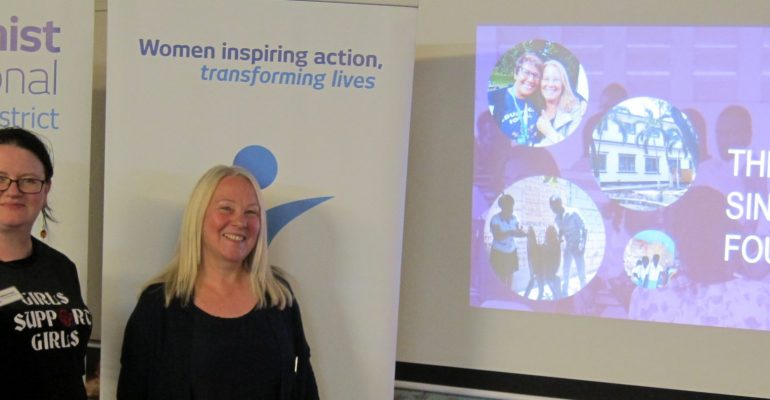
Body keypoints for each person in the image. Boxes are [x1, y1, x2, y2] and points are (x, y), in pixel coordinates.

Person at [118, 165, 318, 399]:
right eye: (226, 208)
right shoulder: (158, 306)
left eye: (251, 212)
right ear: (198, 216)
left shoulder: (279, 299)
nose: (240, 222)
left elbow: (304, 389)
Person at [0, 127, 92, 399]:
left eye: (28, 180)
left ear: (46, 189)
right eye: (1, 178)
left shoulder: (61, 267)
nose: (13, 191)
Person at [488, 52, 544, 145]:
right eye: (526, 72)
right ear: (516, 73)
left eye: (536, 75)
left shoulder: (539, 102)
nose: (531, 79)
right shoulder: (494, 99)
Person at [536, 59, 584, 146]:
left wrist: (549, 132)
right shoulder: (533, 108)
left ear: (563, 84)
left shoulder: (575, 111)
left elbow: (573, 147)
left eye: (556, 80)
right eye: (546, 79)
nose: (550, 84)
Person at [549, 194, 587, 295]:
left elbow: (584, 228)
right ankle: (564, 293)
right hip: (567, 247)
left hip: (577, 246)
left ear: (560, 204)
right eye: (552, 208)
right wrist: (559, 237)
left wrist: (582, 244)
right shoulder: (557, 219)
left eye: (555, 208)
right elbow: (561, 230)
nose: (553, 211)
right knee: (565, 270)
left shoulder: (573, 213)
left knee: (581, 272)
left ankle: (584, 293)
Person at [489, 194, 525, 289]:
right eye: (508, 206)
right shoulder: (495, 219)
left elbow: (517, 232)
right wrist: (510, 232)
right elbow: (497, 236)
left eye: (511, 206)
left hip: (511, 250)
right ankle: (502, 293)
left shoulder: (514, 218)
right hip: (499, 252)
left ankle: (508, 292)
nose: (511, 209)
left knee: (510, 275)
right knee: (501, 277)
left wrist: (524, 233)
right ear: (502, 207)